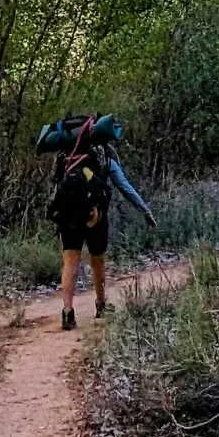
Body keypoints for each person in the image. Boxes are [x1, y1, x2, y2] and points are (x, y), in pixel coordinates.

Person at [48, 123, 154, 331]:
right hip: (95, 216)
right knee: (98, 260)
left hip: (68, 216)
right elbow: (124, 186)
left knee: (70, 262)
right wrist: (145, 211)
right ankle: (101, 305)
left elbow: (54, 188)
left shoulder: (64, 156)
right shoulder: (103, 155)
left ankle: (67, 312)